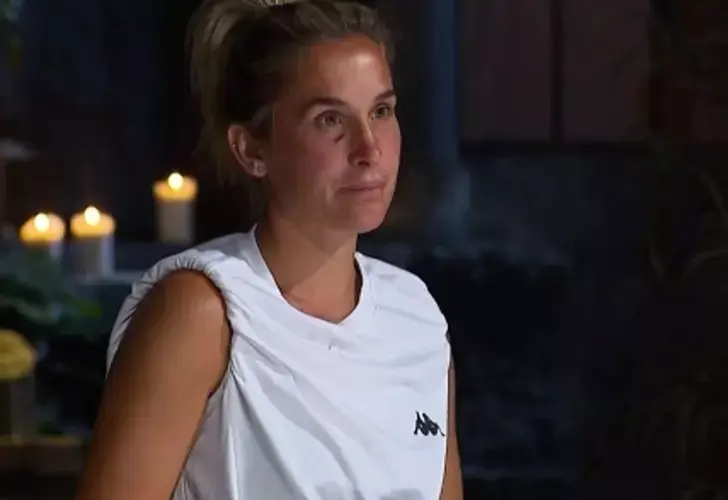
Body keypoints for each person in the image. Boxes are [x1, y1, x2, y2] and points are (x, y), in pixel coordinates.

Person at [75, 0, 462, 498]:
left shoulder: (415, 319)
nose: (370, 149)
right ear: (251, 149)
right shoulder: (204, 313)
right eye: (330, 120)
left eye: (381, 111)